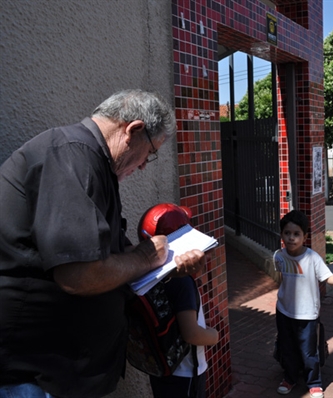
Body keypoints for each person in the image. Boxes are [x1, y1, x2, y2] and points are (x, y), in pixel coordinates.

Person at [0, 89, 207, 398]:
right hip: (35, 373)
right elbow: (80, 275)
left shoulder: (91, 162)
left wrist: (168, 269)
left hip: (60, 370)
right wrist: (146, 258)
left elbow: (111, 257)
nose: (143, 166)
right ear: (133, 130)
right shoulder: (72, 156)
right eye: (149, 153)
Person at [138, 204, 219, 398]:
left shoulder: (146, 274)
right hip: (186, 372)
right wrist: (214, 335)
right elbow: (191, 333)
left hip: (161, 366)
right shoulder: (181, 281)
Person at [273, 210, 333, 398]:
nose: (291, 238)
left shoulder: (312, 258)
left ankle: (313, 382)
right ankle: (289, 378)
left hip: (307, 315)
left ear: (305, 236)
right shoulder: (279, 257)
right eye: (287, 233)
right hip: (284, 311)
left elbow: (328, 278)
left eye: (296, 234)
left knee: (309, 352)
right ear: (281, 235)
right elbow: (282, 279)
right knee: (287, 347)